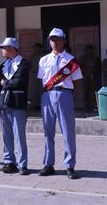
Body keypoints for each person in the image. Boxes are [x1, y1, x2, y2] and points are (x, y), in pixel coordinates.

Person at [37, 28, 83, 179]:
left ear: (64, 41)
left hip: (64, 94)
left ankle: (70, 165)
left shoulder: (71, 60)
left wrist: (70, 96)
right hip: (48, 94)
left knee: (68, 131)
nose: (54, 42)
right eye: (52, 39)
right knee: (48, 131)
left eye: (57, 39)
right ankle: (48, 164)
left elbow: (77, 83)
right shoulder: (43, 60)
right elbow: (42, 81)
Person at [0, 38, 30, 175]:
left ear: (11, 49)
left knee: (19, 134)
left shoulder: (24, 64)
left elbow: (19, 82)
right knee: (6, 134)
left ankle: (22, 164)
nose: (2, 50)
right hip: (4, 102)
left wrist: (5, 82)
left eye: (4, 47)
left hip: (17, 102)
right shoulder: (3, 65)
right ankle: (9, 161)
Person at [79, 45, 101, 112]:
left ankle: (94, 106)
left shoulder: (96, 58)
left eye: (90, 50)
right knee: (85, 92)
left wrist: (95, 73)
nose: (89, 51)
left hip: (94, 77)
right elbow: (79, 67)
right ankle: (86, 107)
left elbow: (99, 67)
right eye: (87, 50)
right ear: (85, 50)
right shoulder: (82, 58)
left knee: (94, 92)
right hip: (85, 77)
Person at [28, 43, 44, 109]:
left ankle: (41, 104)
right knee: (33, 90)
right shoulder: (32, 56)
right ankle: (33, 104)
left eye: (37, 48)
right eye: (35, 48)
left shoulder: (44, 56)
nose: (36, 49)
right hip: (33, 74)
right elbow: (29, 65)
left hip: (41, 75)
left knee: (41, 90)